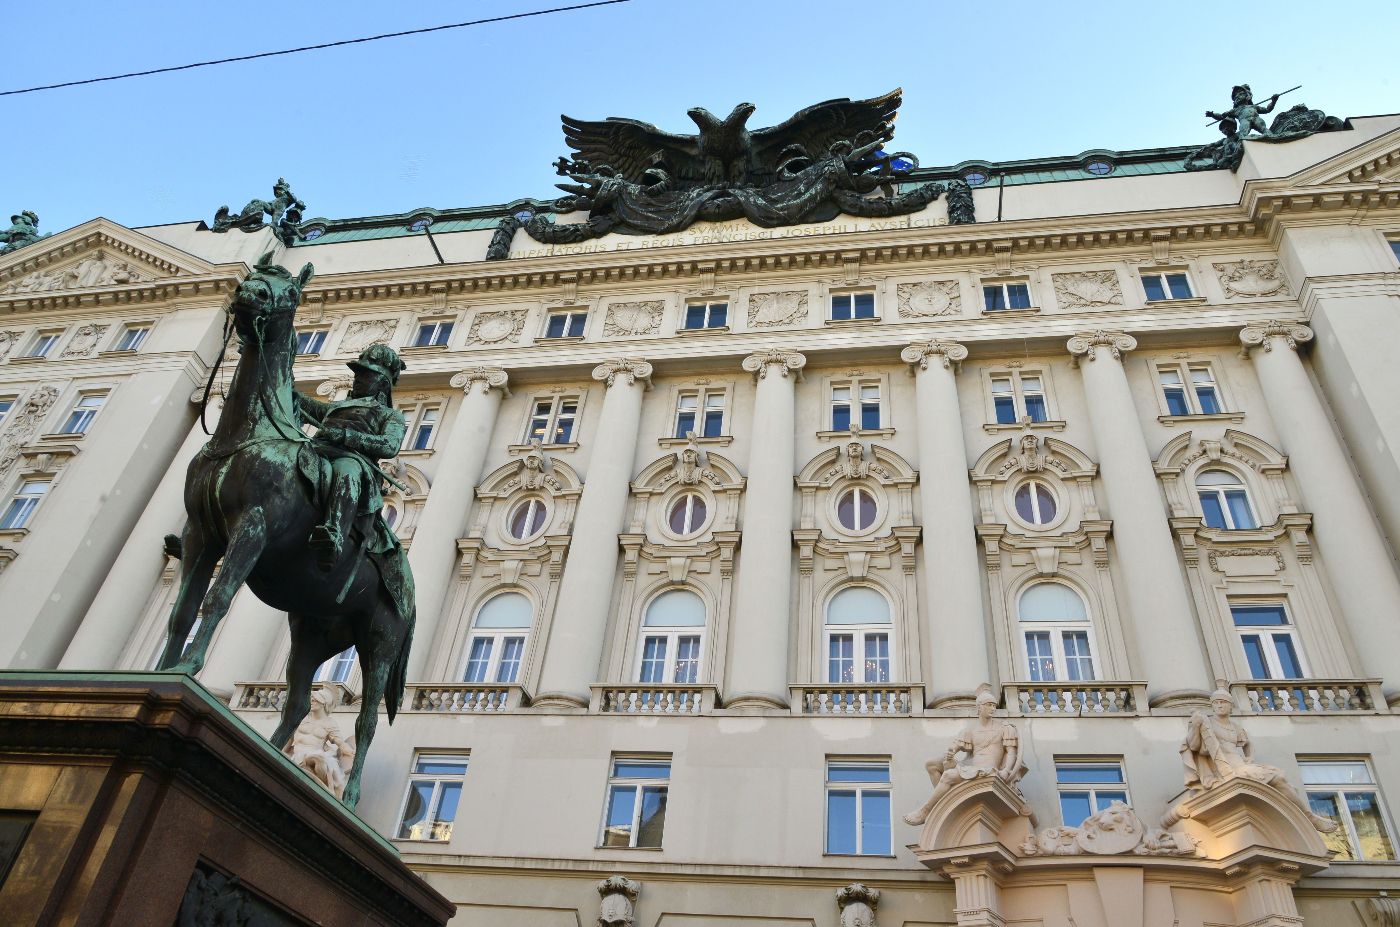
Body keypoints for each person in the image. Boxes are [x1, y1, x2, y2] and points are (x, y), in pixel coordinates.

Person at [295, 343, 407, 570]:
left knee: (347, 472)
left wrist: (345, 435)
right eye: (358, 374)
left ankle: (334, 533)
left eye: (366, 375)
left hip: (353, 459)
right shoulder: (340, 406)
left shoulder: (388, 415)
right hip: (317, 451)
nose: (358, 379)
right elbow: (305, 404)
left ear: (383, 384)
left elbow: (389, 445)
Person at [1180, 686, 1338, 833]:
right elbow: (1193, 747)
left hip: (1241, 765)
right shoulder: (1207, 723)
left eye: (1223, 702)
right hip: (1224, 770)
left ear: (1230, 706)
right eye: (1216, 703)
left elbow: (1248, 744)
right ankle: (1308, 816)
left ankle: (1306, 816)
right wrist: (1195, 727)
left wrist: (1250, 757)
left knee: (1279, 776)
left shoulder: (1235, 727)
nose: (1219, 705)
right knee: (1278, 777)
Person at [903, 685, 1026, 826]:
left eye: (994, 705)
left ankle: (926, 810)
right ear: (979, 707)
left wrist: (1006, 771)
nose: (993, 708)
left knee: (948, 776)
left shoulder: (1004, 728)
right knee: (931, 764)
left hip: (988, 770)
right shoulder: (971, 731)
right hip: (971, 767)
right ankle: (947, 800)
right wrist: (950, 753)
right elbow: (955, 747)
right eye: (989, 705)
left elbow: (1011, 752)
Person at [283, 684, 355, 799]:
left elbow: (340, 743)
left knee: (318, 761)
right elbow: (289, 738)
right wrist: (280, 753)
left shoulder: (329, 723)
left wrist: (350, 751)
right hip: (296, 755)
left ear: (324, 704)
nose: (312, 702)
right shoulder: (301, 717)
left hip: (315, 756)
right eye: (312, 700)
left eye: (315, 700)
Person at [1206, 84, 1280, 141]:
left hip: (1256, 119)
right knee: (1243, 136)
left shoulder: (1253, 107)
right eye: (1235, 97)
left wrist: (1273, 101)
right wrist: (1213, 114)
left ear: (1247, 96)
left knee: (1265, 130)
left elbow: (1267, 109)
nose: (1237, 97)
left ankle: (1274, 139)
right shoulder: (1235, 110)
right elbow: (1222, 116)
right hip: (1245, 121)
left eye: (1240, 94)